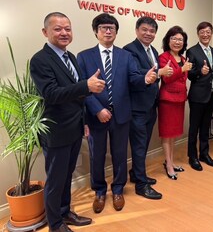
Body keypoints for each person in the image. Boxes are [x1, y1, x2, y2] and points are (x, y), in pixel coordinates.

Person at [30, 12, 105, 232]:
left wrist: (83, 121)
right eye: (57, 29)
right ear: (45, 32)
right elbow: (51, 94)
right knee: (55, 181)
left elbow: (75, 96)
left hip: (74, 128)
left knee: (66, 176)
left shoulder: (70, 57)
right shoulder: (40, 60)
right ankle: (55, 224)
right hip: (56, 132)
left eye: (68, 28)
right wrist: (86, 86)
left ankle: (64, 212)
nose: (64, 33)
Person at [77, 13, 156, 213]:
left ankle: (118, 189)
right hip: (97, 116)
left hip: (121, 115)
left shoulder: (125, 55)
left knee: (120, 154)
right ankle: (100, 191)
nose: (108, 31)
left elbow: (133, 78)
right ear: (96, 31)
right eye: (103, 27)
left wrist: (145, 79)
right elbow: (81, 88)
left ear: (116, 32)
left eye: (112, 28)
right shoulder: (84, 56)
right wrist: (97, 110)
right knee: (98, 156)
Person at [123, 16, 172, 200]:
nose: (148, 33)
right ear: (137, 30)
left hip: (151, 105)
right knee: (139, 144)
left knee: (142, 144)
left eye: (152, 31)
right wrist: (158, 73)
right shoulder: (130, 50)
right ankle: (141, 186)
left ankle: (136, 174)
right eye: (144, 30)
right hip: (137, 108)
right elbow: (134, 74)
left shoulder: (152, 50)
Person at [158, 26, 192, 180]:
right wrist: (182, 69)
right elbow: (166, 78)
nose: (177, 42)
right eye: (174, 38)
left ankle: (169, 161)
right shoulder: (164, 57)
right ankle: (169, 165)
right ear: (168, 40)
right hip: (167, 101)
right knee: (167, 134)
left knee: (174, 134)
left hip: (180, 100)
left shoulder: (184, 59)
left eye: (180, 39)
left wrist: (183, 69)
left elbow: (182, 79)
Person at [186, 21, 213, 171]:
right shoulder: (192, 51)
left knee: (206, 127)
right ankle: (192, 156)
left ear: (212, 33)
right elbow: (189, 75)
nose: (205, 35)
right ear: (198, 34)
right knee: (194, 128)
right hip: (197, 96)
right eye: (202, 32)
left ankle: (204, 154)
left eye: (208, 32)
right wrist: (200, 72)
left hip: (211, 96)